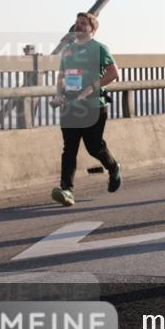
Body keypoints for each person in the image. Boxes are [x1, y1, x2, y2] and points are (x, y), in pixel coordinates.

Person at [49, 12, 122, 207]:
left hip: (93, 106)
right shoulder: (68, 51)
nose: (78, 26)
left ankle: (114, 168)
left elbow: (114, 72)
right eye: (77, 23)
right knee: (69, 149)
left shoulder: (99, 48)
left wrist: (91, 88)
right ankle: (67, 190)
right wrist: (58, 94)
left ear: (92, 29)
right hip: (71, 106)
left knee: (94, 147)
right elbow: (62, 76)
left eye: (83, 24)